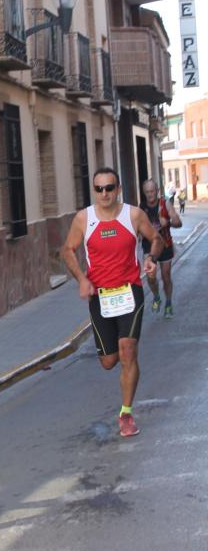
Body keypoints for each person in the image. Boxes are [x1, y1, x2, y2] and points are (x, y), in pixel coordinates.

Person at [61, 168, 163, 437]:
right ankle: (122, 368)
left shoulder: (133, 215)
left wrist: (151, 259)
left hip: (131, 292)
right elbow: (67, 250)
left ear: (118, 189)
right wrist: (82, 279)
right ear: (94, 191)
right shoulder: (84, 219)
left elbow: (157, 239)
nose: (104, 193)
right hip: (100, 297)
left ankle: (126, 414)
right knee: (109, 361)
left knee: (128, 350)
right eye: (99, 189)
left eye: (109, 187)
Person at [140, 178, 182, 318]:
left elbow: (178, 222)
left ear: (157, 191)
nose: (150, 194)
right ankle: (157, 296)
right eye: (147, 192)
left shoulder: (166, 204)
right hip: (149, 246)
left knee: (166, 276)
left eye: (152, 191)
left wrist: (168, 222)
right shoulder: (141, 208)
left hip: (165, 245)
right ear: (144, 193)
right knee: (150, 277)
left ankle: (168, 303)